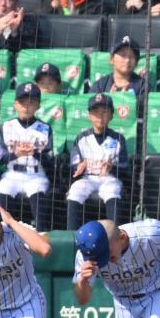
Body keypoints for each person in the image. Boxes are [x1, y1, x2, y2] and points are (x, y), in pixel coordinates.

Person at [0, 83, 53, 232]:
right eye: (22, 102)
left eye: (31, 102)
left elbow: (50, 161)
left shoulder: (45, 128)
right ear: (15, 104)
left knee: (38, 190)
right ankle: (3, 232)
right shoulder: (6, 126)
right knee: (5, 187)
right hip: (12, 173)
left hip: (36, 174)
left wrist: (35, 153)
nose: (26, 106)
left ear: (38, 106)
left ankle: (41, 234)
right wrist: (15, 154)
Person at [65, 94, 128, 231]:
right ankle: (72, 235)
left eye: (104, 112)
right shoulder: (81, 138)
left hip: (109, 179)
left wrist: (112, 167)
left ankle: (116, 235)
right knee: (75, 190)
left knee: (112, 190)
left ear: (111, 115)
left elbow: (124, 166)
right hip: (88, 177)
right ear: (89, 115)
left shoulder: (118, 138)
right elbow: (74, 163)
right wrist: (79, 166)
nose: (100, 116)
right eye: (96, 112)